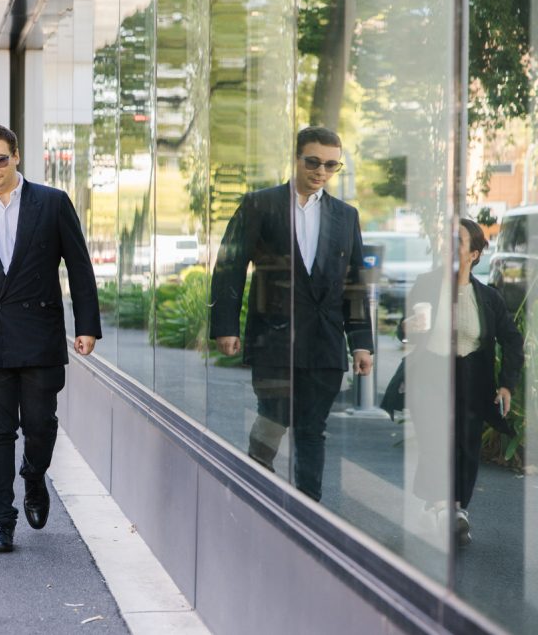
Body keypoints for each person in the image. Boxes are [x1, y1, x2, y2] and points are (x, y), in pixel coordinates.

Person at [0, 123, 102, 552]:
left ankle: (33, 474)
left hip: (39, 333)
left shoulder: (52, 203)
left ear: (16, 156)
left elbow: (79, 268)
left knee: (40, 424)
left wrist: (86, 325)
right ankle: (0, 520)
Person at [209, 126, 374, 502]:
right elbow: (230, 267)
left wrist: (361, 343)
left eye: (331, 165)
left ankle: (308, 509)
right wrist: (225, 326)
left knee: (313, 429)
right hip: (274, 338)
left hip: (325, 342)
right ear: (296, 158)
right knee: (273, 417)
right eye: (313, 162)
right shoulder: (260, 204)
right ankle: (256, 492)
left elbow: (354, 283)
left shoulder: (346, 216)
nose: (321, 172)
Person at [395, 218, 522, 545]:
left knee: (467, 444)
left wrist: (506, 385)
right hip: (431, 373)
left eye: (459, 242)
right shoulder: (426, 284)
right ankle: (445, 507)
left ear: (474, 254)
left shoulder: (488, 297)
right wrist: (407, 327)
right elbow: (403, 329)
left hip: (472, 377)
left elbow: (512, 340)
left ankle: (456, 507)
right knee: (434, 439)